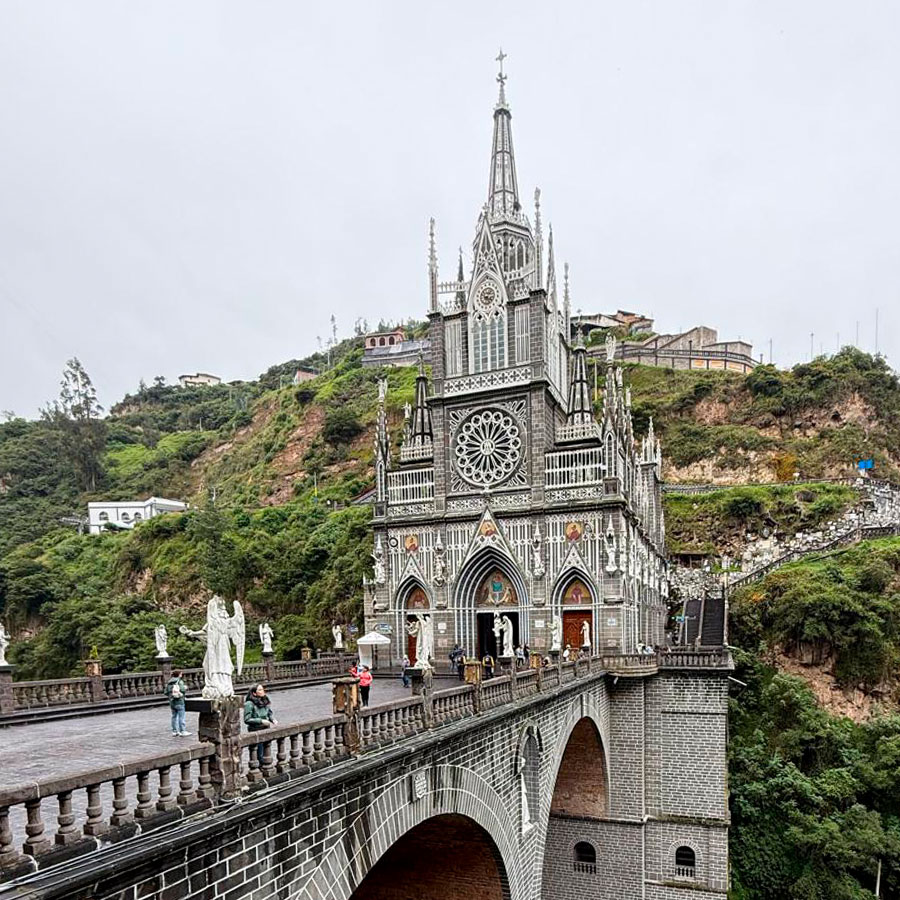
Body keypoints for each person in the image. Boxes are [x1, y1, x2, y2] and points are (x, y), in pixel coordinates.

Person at [244, 684, 277, 766]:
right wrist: (260, 721)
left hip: (265, 728)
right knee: (259, 752)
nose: (263, 691)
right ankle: (259, 766)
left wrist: (272, 719)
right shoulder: (249, 704)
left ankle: (265, 764)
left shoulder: (264, 700)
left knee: (267, 749)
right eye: (260, 690)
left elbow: (269, 712)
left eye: (262, 689)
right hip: (256, 730)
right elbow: (247, 719)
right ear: (254, 693)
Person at [165, 668, 190, 737]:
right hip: (179, 701)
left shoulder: (169, 682)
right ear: (179, 675)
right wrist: (185, 688)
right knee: (181, 716)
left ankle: (174, 731)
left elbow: (165, 692)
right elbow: (182, 689)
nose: (181, 675)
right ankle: (183, 731)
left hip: (172, 702)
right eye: (181, 674)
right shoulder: (179, 681)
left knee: (174, 716)